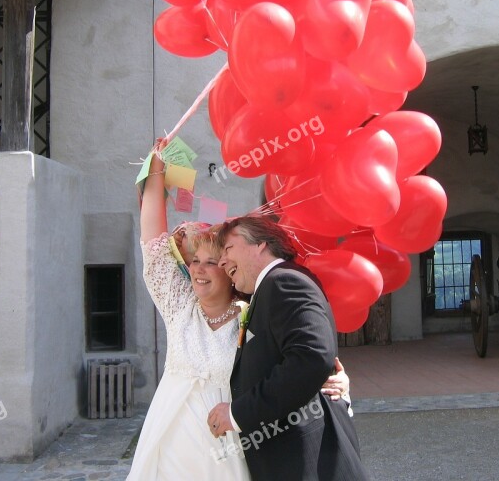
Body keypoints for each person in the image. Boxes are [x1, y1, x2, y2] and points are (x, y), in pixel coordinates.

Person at [127, 142, 350, 480]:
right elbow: (153, 244)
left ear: (229, 271)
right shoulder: (178, 306)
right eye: (194, 262)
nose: (199, 270)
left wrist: (335, 382)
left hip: (233, 437)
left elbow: (298, 359)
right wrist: (156, 171)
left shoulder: (252, 313)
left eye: (213, 261)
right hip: (174, 432)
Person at [208, 217, 369, 481]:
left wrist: (238, 413)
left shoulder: (284, 282)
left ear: (260, 243)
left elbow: (312, 357)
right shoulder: (269, 288)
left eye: (228, 249)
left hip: (306, 457)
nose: (222, 261)